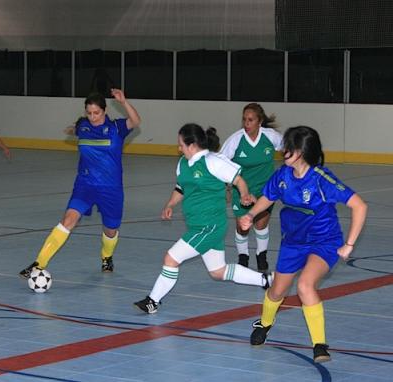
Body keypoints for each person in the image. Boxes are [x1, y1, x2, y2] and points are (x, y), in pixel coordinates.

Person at [240, 126, 367, 363]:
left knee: (306, 286)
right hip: (293, 243)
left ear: (300, 151)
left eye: (288, 147)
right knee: (277, 291)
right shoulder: (282, 175)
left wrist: (349, 244)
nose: (283, 151)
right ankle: (265, 323)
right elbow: (269, 196)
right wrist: (251, 215)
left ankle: (320, 344)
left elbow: (360, 205)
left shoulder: (322, 179)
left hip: (324, 242)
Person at [134, 123, 274, 314]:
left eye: (181, 145)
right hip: (197, 225)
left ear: (192, 145)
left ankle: (153, 301)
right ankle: (265, 280)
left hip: (209, 226)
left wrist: (243, 195)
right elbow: (181, 188)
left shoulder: (212, 161)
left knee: (171, 258)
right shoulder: (183, 163)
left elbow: (238, 180)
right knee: (218, 271)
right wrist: (170, 204)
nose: (179, 148)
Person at [19, 88, 141, 277]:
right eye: (89, 113)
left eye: (96, 113)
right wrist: (72, 129)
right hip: (85, 185)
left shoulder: (117, 128)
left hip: (111, 188)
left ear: (105, 111)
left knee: (111, 229)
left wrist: (124, 102)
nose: (92, 117)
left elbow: (136, 121)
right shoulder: (83, 126)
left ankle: (106, 256)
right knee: (68, 220)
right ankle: (38, 264)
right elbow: (75, 130)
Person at [221, 103, 282, 272]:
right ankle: (243, 256)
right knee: (243, 225)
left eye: (250, 120)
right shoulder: (236, 139)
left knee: (261, 224)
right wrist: (225, 186)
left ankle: (261, 255)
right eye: (244, 120)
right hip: (242, 189)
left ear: (259, 121)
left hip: (265, 189)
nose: (246, 123)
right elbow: (220, 163)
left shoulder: (271, 137)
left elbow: (290, 151)